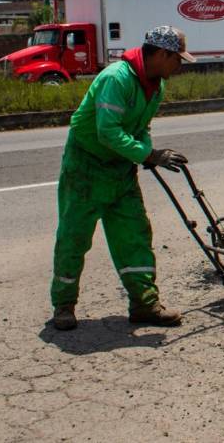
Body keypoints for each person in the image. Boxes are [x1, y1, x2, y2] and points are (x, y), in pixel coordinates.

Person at [49, 26, 195, 331]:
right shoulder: (116, 78)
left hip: (120, 170)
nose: (179, 66)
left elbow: (141, 128)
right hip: (85, 167)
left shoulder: (156, 86)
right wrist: (148, 155)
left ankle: (144, 304)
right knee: (74, 237)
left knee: (135, 235)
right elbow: (107, 131)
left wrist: (145, 151)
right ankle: (64, 305)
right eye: (177, 60)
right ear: (161, 54)